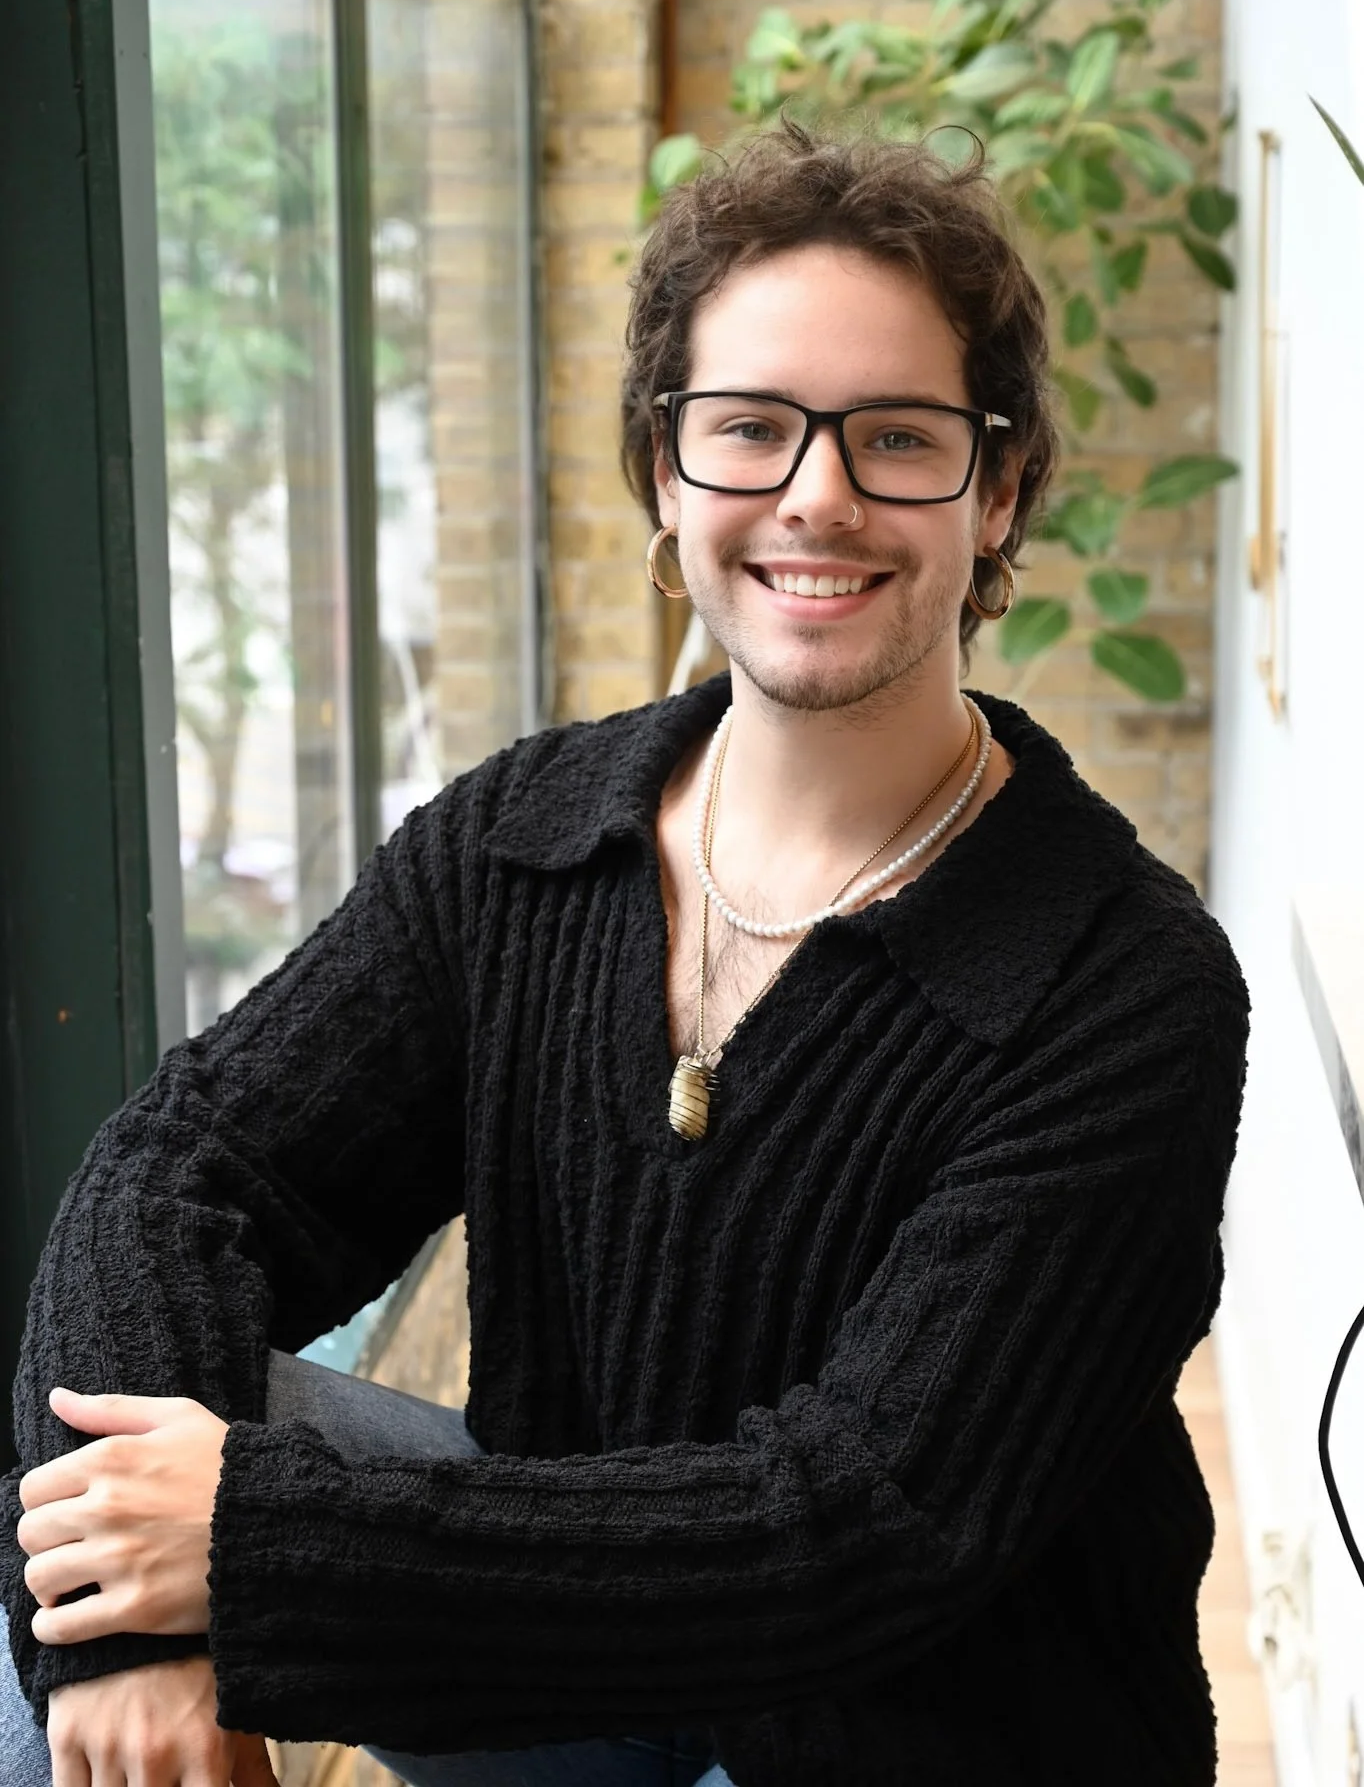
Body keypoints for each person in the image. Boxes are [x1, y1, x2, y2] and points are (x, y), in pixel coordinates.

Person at [1, 125, 1249, 1787]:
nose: (817, 494)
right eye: (749, 430)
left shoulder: (1122, 986)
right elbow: (182, 1170)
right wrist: (133, 1634)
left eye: (896, 438)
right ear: (668, 474)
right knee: (73, 1494)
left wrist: (252, 1551)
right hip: (563, 1645)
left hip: (921, 1725)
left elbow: (863, 1525)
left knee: (172, 1513)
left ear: (999, 488)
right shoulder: (531, 841)